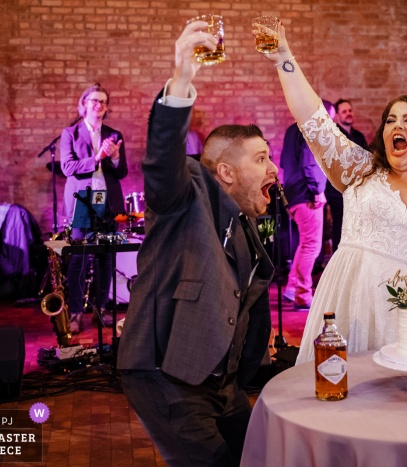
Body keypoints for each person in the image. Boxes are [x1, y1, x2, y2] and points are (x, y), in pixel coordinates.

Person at [254, 24, 407, 365]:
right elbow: (313, 120)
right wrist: (284, 58)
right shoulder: (360, 169)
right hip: (349, 310)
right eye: (390, 120)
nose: (397, 126)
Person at [118, 21, 277, 467]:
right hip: (166, 372)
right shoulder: (187, 191)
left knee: (257, 456)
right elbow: (161, 163)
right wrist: (181, 82)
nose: (273, 169)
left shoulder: (246, 224)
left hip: (220, 383)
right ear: (225, 171)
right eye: (262, 158)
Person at [60, 83, 127, 333]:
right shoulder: (70, 133)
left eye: (103, 102)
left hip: (106, 201)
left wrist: (116, 157)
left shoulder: (114, 133)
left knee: (106, 257)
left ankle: (102, 309)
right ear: (84, 104)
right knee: (79, 258)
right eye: (94, 101)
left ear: (106, 107)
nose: (98, 105)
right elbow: (67, 168)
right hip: (84, 200)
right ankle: (76, 312)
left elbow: (122, 172)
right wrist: (97, 158)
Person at [280, 102, 331, 309]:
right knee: (311, 246)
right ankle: (303, 295)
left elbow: (284, 163)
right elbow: (310, 163)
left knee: (305, 244)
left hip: (293, 193)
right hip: (307, 194)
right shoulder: (311, 129)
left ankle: (292, 289)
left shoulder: (292, 129)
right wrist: (317, 190)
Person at [326, 99, 369, 253]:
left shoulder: (359, 136)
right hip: (337, 191)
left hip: (356, 190)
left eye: (350, 110)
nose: (348, 114)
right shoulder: (334, 135)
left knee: (355, 227)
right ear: (337, 115)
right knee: (340, 226)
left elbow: (366, 161)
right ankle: (338, 261)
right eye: (344, 111)